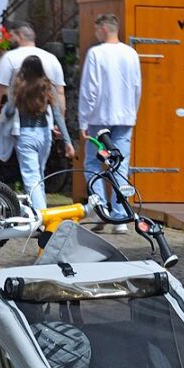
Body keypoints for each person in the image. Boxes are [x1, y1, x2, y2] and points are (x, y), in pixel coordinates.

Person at [78, 12, 142, 235]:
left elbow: (89, 89)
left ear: (103, 29)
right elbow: (136, 87)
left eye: (96, 30)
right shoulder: (131, 53)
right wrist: (133, 112)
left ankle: (100, 208)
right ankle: (120, 215)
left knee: (93, 164)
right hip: (125, 116)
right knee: (120, 166)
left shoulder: (96, 53)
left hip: (99, 117)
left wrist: (83, 120)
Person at [2, 55, 75, 211]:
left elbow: (9, 111)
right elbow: (57, 115)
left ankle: (41, 217)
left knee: (31, 178)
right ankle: (39, 212)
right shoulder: (48, 86)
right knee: (38, 176)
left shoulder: (19, 87)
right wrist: (67, 141)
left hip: (25, 134)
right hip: (44, 135)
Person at [0, 22, 67, 130]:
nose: (9, 40)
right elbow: (60, 93)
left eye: (11, 36)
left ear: (20, 36)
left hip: (17, 124)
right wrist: (60, 122)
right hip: (45, 124)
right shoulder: (52, 59)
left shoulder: (10, 57)